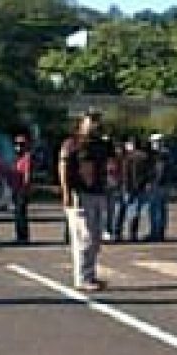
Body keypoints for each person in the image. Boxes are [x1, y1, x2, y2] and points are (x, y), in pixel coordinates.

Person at [59, 113, 115, 291]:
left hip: (99, 192)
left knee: (96, 238)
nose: (95, 126)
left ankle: (90, 274)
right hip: (80, 193)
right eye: (91, 122)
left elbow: (114, 162)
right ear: (82, 124)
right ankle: (82, 277)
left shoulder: (102, 145)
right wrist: (66, 192)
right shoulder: (72, 144)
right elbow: (63, 166)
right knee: (85, 237)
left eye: (97, 122)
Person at [115, 137, 151, 242]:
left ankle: (118, 233)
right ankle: (132, 234)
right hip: (137, 188)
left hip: (127, 187)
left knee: (122, 212)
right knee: (134, 212)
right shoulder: (143, 157)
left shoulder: (125, 157)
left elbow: (124, 174)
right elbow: (146, 173)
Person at [146, 134, 171, 242]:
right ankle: (160, 232)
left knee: (155, 209)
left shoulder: (159, 155)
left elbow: (159, 170)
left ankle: (155, 233)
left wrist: (153, 183)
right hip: (165, 185)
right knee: (162, 209)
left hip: (158, 185)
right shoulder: (167, 154)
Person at [10, 135, 34, 244]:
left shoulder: (26, 158)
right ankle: (20, 235)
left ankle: (23, 236)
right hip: (15, 188)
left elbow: (27, 174)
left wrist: (25, 188)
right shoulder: (17, 159)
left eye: (21, 145)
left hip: (22, 189)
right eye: (17, 144)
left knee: (21, 213)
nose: (19, 147)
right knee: (18, 213)